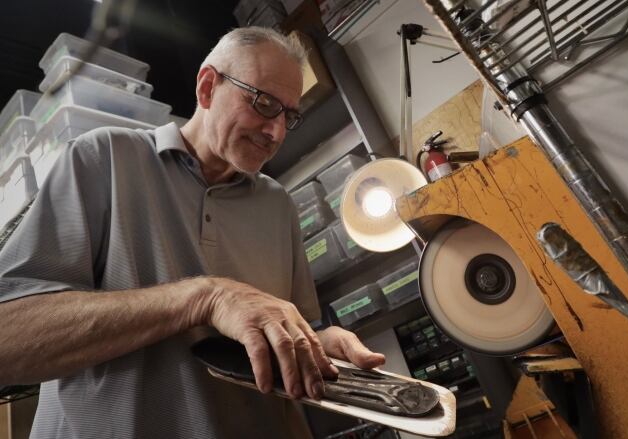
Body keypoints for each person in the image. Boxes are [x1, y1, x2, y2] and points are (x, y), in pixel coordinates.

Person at [0, 27, 385, 438]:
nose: (276, 133)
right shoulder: (105, 157)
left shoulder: (278, 205)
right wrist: (205, 297)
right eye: (264, 103)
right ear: (207, 88)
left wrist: (319, 343)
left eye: (289, 115)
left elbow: (286, 333)